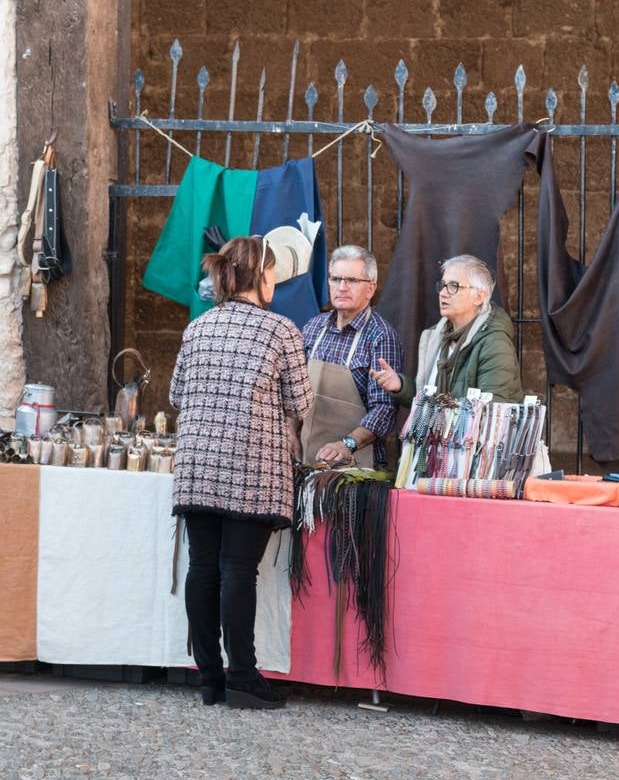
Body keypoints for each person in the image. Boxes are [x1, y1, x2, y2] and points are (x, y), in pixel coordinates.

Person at [169, 235, 314, 710]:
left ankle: (210, 677)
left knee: (203, 568)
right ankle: (244, 677)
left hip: (197, 463)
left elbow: (176, 393)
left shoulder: (199, 327)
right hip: (251, 465)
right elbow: (302, 403)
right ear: (263, 276)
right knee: (237, 571)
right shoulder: (281, 331)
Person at [299, 246, 404, 468]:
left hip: (356, 467)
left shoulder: (381, 336)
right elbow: (293, 391)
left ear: (371, 288)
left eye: (352, 280)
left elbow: (384, 409)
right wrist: (289, 432)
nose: (342, 287)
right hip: (306, 461)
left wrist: (347, 444)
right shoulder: (312, 327)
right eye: (336, 279)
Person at [370, 254, 524, 405]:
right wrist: (400, 386)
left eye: (454, 286)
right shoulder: (436, 336)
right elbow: (428, 402)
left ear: (479, 297)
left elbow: (491, 412)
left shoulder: (495, 344)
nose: (443, 293)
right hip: (436, 430)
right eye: (443, 285)